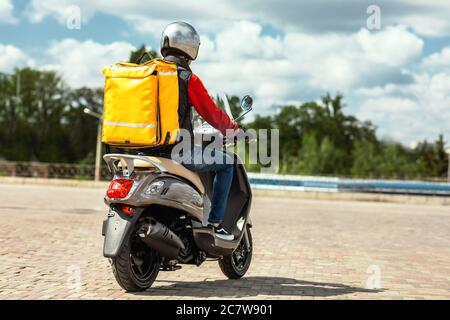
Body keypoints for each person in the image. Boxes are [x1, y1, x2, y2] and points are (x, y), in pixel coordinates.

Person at [159, 21, 239, 240]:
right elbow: (211, 113)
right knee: (227, 163)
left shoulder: (148, 75)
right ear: (190, 48)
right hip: (177, 150)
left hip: (142, 150)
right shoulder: (187, 78)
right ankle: (215, 223)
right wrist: (233, 129)